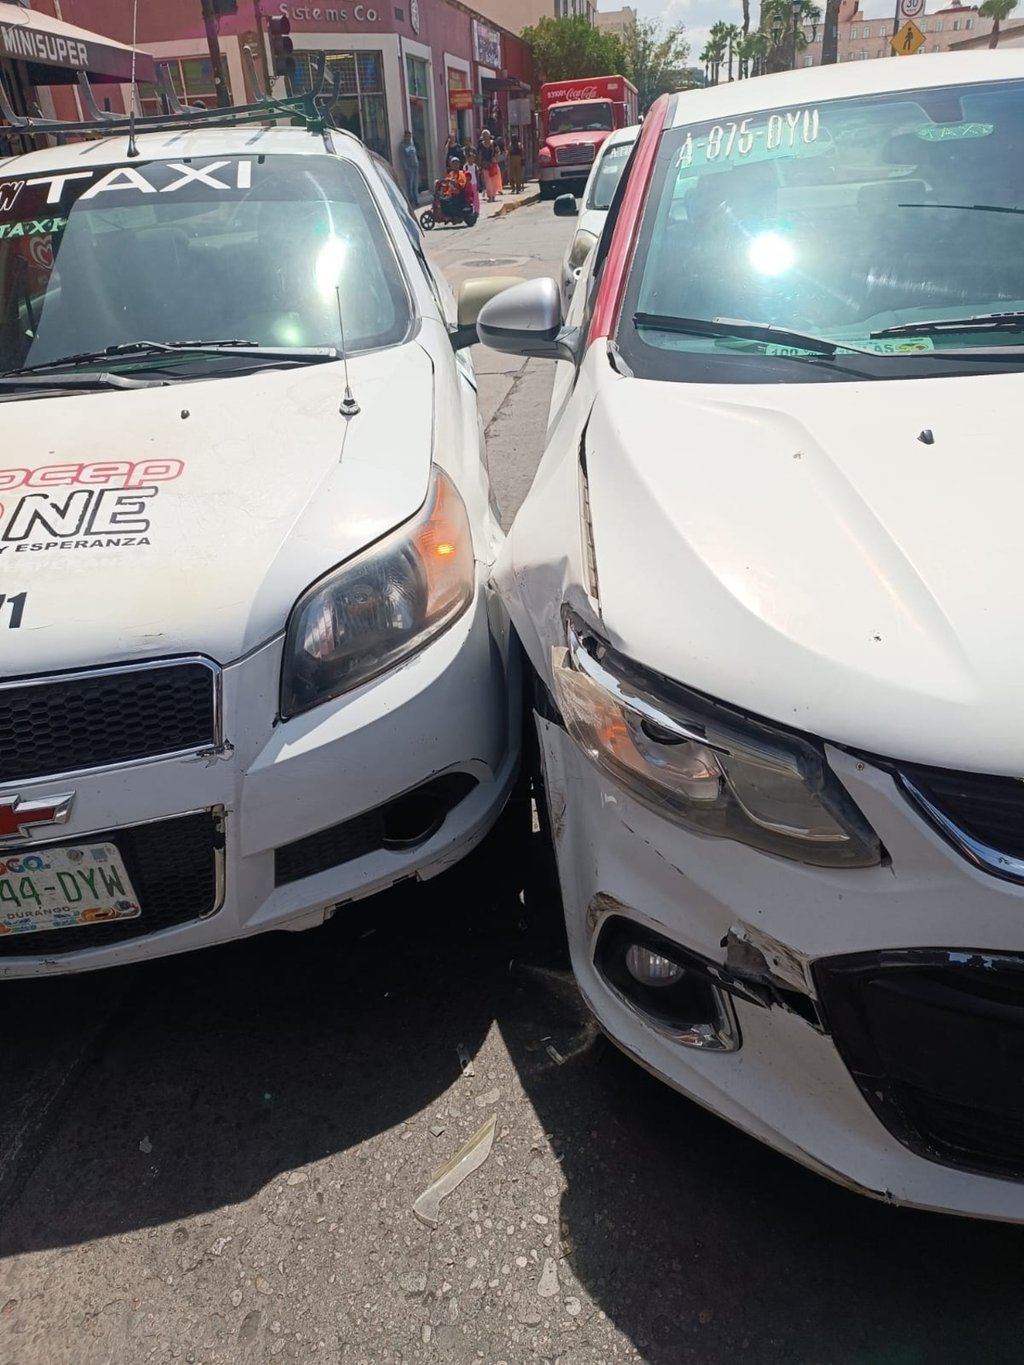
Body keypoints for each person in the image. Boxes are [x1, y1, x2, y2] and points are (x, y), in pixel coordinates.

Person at [477, 128, 503, 202]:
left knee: (494, 181)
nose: (485, 137)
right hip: (485, 165)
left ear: (489, 136)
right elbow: (479, 155)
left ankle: (493, 195)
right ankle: (490, 196)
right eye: (484, 136)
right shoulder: (481, 145)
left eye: (487, 135)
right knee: (488, 181)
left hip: (493, 164)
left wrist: (495, 157)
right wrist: (479, 164)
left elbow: (498, 151)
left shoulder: (493, 143)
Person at [399, 129, 420, 211]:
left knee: (415, 185)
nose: (409, 138)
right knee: (410, 185)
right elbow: (402, 158)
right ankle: (410, 202)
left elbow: (415, 154)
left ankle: (416, 201)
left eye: (410, 136)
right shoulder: (402, 146)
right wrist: (406, 168)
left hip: (415, 167)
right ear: (405, 136)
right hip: (409, 168)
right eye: (408, 136)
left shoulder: (412, 145)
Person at [463, 147, 482, 216]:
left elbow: (477, 175)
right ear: (467, 159)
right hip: (468, 184)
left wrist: (478, 184)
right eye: (470, 158)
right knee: (470, 198)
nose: (471, 160)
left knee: (476, 198)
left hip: (474, 183)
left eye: (472, 158)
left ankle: (477, 211)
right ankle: (472, 210)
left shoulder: (475, 166)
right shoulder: (465, 166)